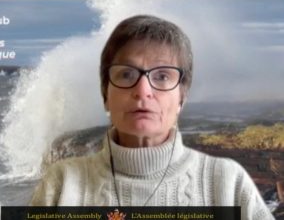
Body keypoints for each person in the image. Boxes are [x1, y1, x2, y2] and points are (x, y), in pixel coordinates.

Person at [30, 15, 274, 219]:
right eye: (126, 74)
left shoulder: (227, 181)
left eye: (162, 76)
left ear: (181, 98)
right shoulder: (62, 182)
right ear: (105, 94)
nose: (143, 90)